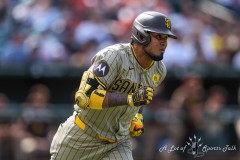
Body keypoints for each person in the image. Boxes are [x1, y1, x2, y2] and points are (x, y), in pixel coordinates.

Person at [50, 11, 177, 160]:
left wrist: (136, 116)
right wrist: (130, 99)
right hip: (81, 137)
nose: (164, 42)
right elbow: (87, 97)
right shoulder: (114, 56)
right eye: (159, 36)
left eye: (166, 37)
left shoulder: (159, 70)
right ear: (142, 35)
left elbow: (141, 98)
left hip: (117, 143)